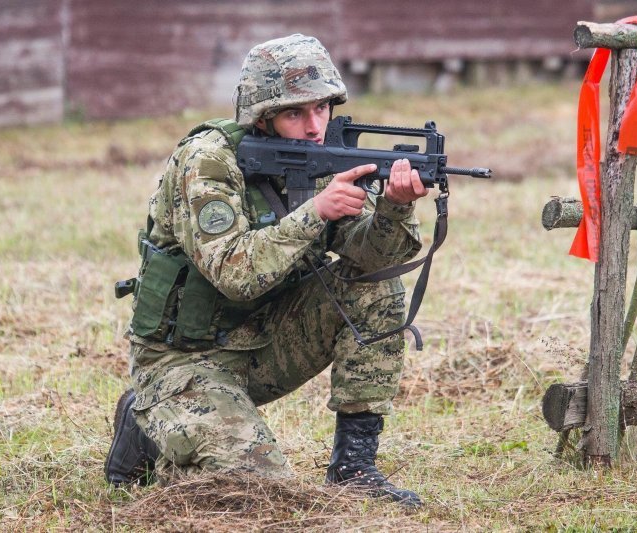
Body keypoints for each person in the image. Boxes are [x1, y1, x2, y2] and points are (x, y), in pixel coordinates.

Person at [104, 34, 427, 507]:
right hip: (181, 360)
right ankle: (150, 420)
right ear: (261, 116)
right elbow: (233, 273)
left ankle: (355, 469)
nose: (314, 126)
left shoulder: (323, 157)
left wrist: (394, 209)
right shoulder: (209, 161)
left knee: (375, 290)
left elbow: (371, 260)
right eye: (295, 113)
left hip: (263, 342)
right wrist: (316, 211)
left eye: (321, 108)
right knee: (260, 488)